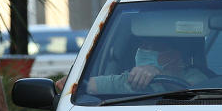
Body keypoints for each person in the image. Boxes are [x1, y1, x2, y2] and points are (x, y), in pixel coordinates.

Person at [57, 39, 206, 94]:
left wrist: (160, 75)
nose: (146, 51)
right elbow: (78, 85)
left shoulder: (195, 76)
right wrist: (71, 81)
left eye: (155, 47)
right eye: (143, 46)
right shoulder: (129, 79)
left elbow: (197, 97)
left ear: (175, 55)